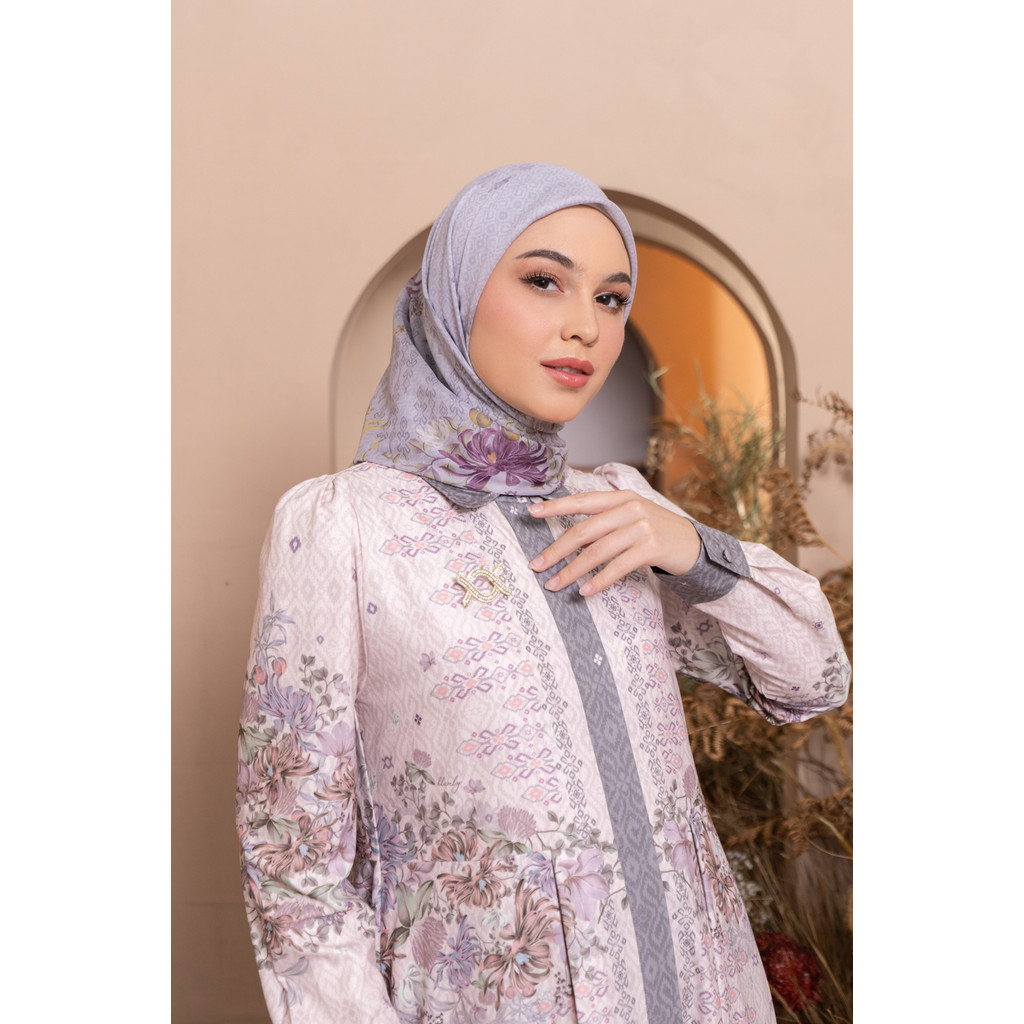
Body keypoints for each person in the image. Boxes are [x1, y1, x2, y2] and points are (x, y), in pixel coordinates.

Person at [236, 163, 850, 1024]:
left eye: (611, 298)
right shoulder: (346, 525)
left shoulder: (621, 506)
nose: (585, 326)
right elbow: (292, 866)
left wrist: (694, 550)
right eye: (543, 281)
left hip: (705, 993)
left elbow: (813, 679)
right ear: (454, 296)